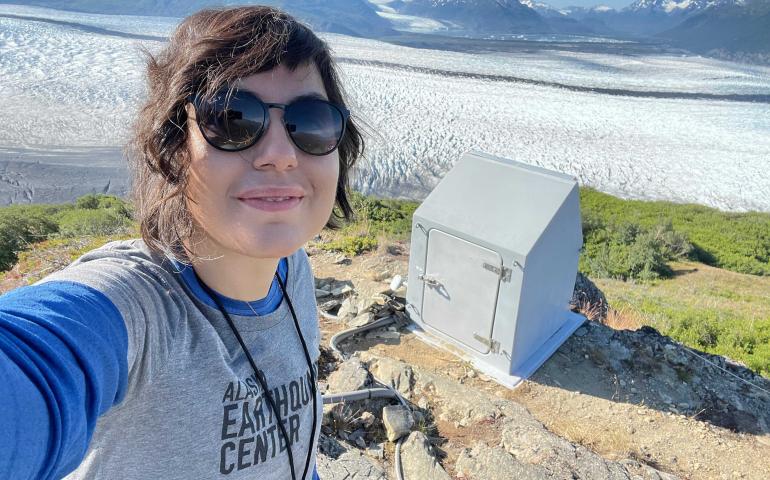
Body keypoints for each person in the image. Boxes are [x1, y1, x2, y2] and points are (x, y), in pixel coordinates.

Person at [0, 5, 365, 479]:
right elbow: (34, 370)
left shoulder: (292, 268)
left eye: (312, 122)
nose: (279, 155)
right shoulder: (136, 312)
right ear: (173, 147)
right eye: (232, 119)